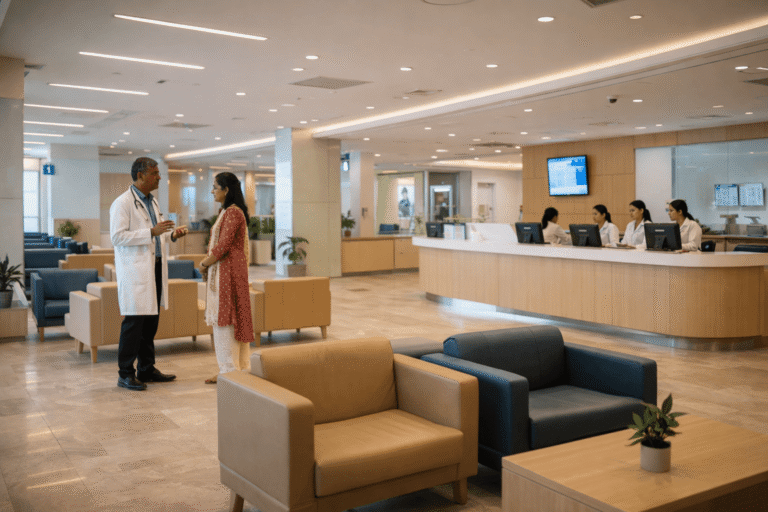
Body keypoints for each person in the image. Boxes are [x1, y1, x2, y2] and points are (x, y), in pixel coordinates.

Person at [110, 157, 188, 391]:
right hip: (136, 272)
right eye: (155, 173)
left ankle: (146, 368)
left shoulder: (153, 203)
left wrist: (171, 235)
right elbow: (117, 237)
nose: (159, 177)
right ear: (141, 175)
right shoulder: (123, 203)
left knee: (150, 324)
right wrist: (150, 232)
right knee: (134, 324)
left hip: (154, 268)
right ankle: (125, 373)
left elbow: (158, 234)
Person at [199, 172, 254, 384]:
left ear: (226, 190)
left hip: (229, 274)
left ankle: (231, 372)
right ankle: (234, 370)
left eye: (215, 187)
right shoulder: (228, 211)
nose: (213, 191)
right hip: (230, 272)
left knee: (226, 322)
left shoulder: (232, 213)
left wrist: (204, 264)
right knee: (233, 320)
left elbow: (222, 247)